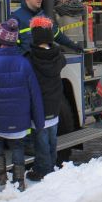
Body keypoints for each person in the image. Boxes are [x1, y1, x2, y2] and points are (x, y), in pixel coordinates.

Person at [0, 19, 45, 192]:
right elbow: (35, 95)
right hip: (20, 119)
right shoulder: (24, 64)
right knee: (18, 146)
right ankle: (19, 180)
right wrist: (39, 121)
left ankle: (0, 176)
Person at [24, 16, 66, 181]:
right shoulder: (58, 56)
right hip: (54, 106)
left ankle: (44, 172)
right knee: (52, 141)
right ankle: (51, 166)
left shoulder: (30, 59)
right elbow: (62, 61)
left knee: (41, 144)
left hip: (38, 109)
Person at [10, 0, 82, 55]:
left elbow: (57, 35)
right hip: (28, 64)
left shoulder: (44, 17)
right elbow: (12, 46)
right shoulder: (15, 19)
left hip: (43, 62)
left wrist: (74, 46)